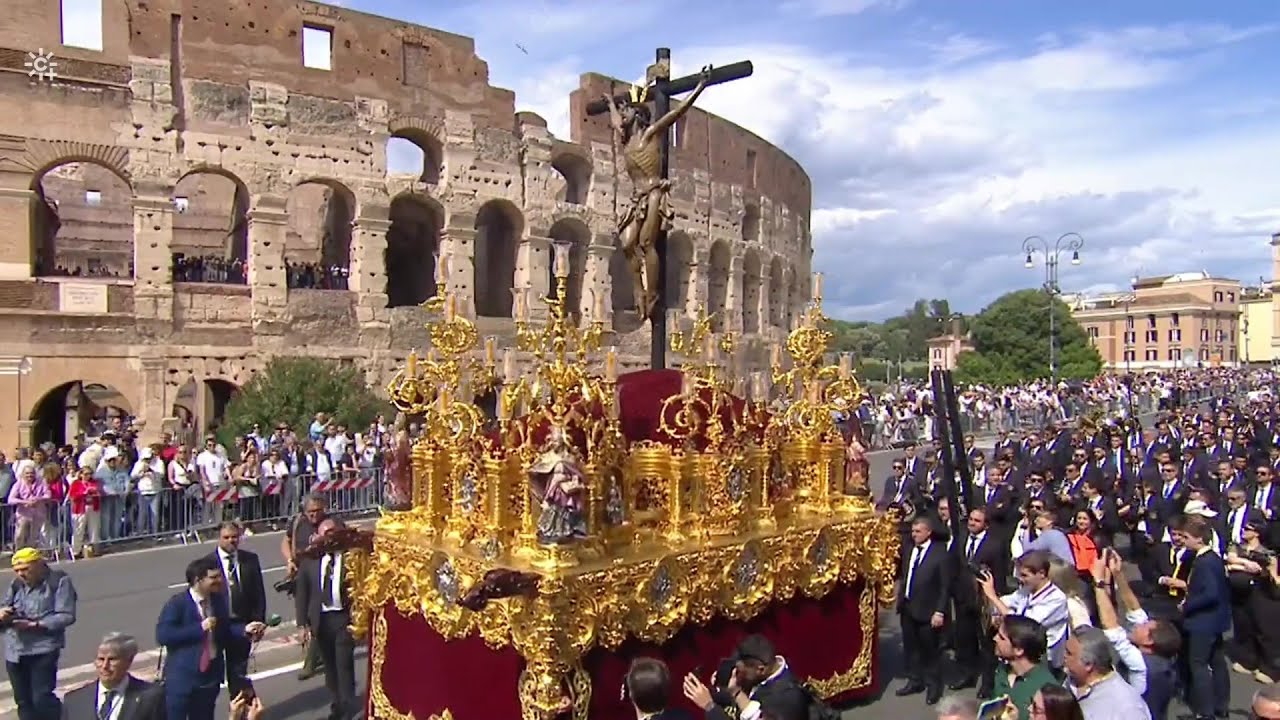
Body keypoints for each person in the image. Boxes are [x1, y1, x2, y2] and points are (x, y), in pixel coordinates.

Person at [156, 555, 243, 720]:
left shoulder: (218, 600)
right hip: (183, 678)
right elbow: (164, 635)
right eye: (213, 577)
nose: (220, 580)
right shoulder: (177, 604)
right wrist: (199, 628)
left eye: (220, 576)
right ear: (198, 580)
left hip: (210, 677)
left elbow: (225, 629)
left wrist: (245, 630)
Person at [1, 547, 78, 720]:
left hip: (43, 649)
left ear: (38, 565)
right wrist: (4, 613)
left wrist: (36, 625)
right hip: (16, 651)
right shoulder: (16, 584)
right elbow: (7, 605)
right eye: (17, 570)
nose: (21, 574)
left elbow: (66, 615)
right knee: (23, 701)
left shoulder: (59, 581)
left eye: (25, 569)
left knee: (41, 698)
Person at [296, 518, 359, 720]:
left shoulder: (352, 557)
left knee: (343, 663)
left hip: (343, 617)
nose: (328, 537)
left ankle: (348, 706)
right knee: (330, 666)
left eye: (332, 532)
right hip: (321, 620)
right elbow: (302, 593)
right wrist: (301, 624)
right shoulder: (311, 560)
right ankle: (337, 701)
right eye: (324, 533)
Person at [896, 516, 953, 705]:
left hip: (928, 610)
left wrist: (940, 611)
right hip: (908, 607)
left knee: (930, 651)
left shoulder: (940, 554)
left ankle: (933, 685)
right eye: (913, 532)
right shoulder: (909, 549)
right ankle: (915, 680)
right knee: (911, 648)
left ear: (928, 532)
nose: (914, 535)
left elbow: (945, 586)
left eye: (918, 532)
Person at [981, 550, 1070, 672]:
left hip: (1045, 661)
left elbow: (1024, 624)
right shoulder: (1026, 591)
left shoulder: (1056, 599)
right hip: (1022, 655)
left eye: (1024, 575)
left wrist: (992, 596)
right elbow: (1006, 602)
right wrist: (996, 613)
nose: (1021, 580)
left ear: (1041, 573)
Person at [1180, 514, 1231, 720]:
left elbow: (1210, 593)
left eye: (1186, 537)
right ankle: (1221, 706)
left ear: (1199, 539)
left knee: (1199, 665)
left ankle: (1205, 712)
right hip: (1216, 621)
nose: (1183, 541)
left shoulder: (1204, 563)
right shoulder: (1213, 559)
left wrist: (1187, 605)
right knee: (1218, 662)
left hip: (1203, 622)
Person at [208, 521, 267, 694]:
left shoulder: (250, 560)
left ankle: (240, 709)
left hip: (242, 624)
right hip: (217, 625)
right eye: (226, 537)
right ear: (218, 538)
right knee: (213, 674)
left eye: (234, 537)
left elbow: (258, 593)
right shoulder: (207, 563)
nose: (231, 541)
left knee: (238, 673)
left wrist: (258, 621)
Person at [60, 633, 165, 720]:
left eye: (112, 659)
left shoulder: (150, 697)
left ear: (128, 661)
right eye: (101, 659)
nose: (105, 666)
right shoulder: (74, 700)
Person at [1062, 626, 1152, 720]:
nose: (1064, 656)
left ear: (1088, 665)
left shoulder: (1127, 707)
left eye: (1069, 653)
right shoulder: (1073, 679)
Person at [990, 614, 1056, 720]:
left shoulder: (1047, 688)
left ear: (1019, 650)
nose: (995, 638)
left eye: (1001, 638)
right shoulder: (1001, 672)